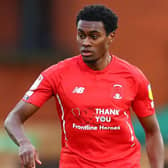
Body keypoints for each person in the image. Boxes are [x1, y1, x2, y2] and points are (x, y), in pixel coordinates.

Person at [4, 4, 164, 168]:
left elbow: (152, 131)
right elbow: (13, 119)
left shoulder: (133, 77)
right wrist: (24, 143)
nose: (85, 42)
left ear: (110, 36)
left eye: (94, 36)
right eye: (81, 35)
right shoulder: (56, 74)